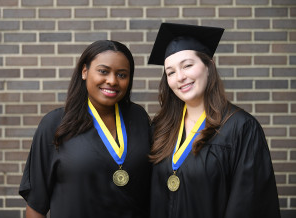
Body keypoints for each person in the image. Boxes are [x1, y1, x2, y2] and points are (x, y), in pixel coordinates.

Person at [148, 23, 281, 218]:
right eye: (171, 72)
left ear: (209, 65)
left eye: (187, 65)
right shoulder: (161, 127)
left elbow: (248, 204)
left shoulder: (240, 127)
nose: (180, 77)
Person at [19, 40, 151, 218]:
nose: (112, 81)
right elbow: (36, 205)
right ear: (84, 71)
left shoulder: (138, 118)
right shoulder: (55, 124)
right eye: (103, 71)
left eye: (122, 75)